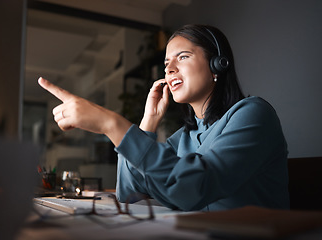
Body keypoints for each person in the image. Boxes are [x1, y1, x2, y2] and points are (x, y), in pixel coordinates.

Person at [38, 24, 289, 211]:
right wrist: (147, 123)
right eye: (167, 62)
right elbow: (130, 192)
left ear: (217, 65)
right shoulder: (184, 137)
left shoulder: (253, 114)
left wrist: (110, 124)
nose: (169, 69)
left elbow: (196, 188)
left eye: (183, 57)